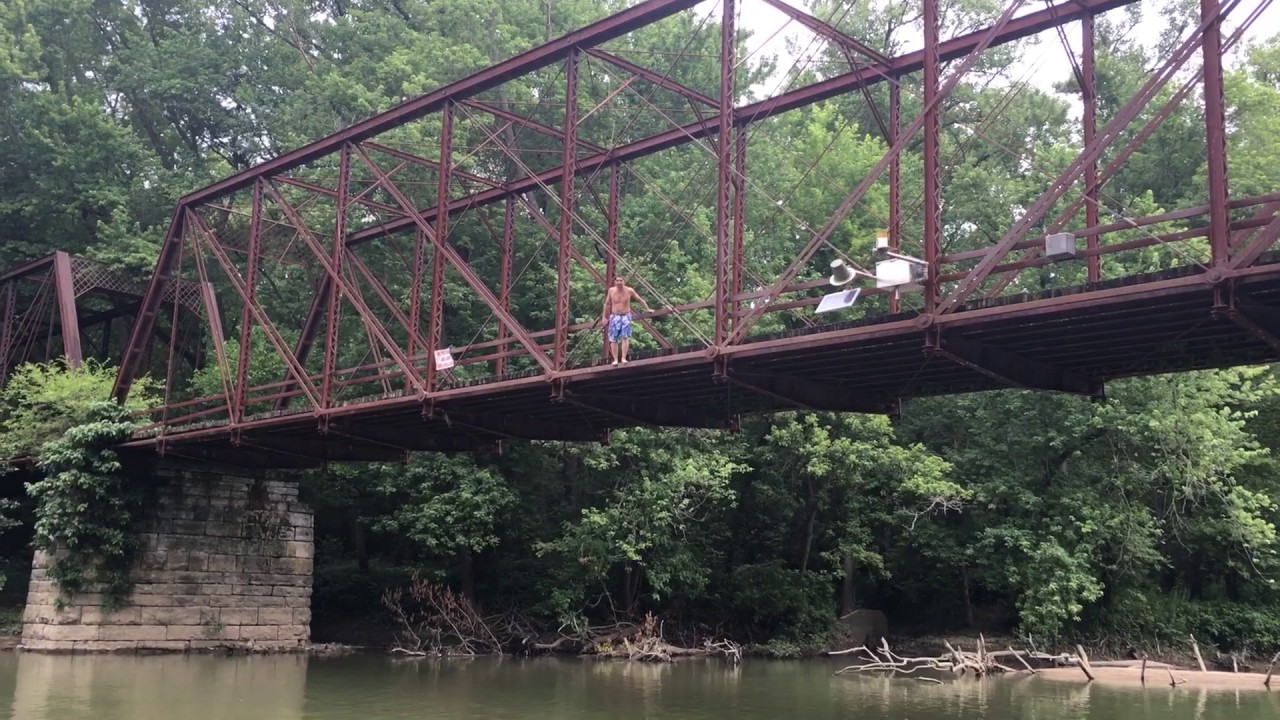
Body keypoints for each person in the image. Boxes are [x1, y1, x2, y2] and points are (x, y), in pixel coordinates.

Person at [603, 276, 652, 365]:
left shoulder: (629, 290)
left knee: (625, 337)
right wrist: (604, 317)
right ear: (615, 282)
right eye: (617, 281)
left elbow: (639, 299)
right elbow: (607, 304)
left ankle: (623, 358)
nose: (619, 282)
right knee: (613, 338)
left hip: (625, 315)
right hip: (615, 316)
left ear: (624, 282)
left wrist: (647, 309)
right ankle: (615, 359)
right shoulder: (611, 291)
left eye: (621, 280)